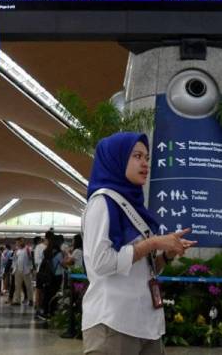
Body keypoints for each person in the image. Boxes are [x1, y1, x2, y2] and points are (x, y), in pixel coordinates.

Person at [82, 132, 196, 355]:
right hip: (112, 323)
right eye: (136, 156)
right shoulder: (102, 202)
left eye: (146, 157)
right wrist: (153, 243)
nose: (145, 163)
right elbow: (101, 263)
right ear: (116, 158)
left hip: (145, 324)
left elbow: (143, 270)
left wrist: (168, 254)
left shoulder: (135, 207)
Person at [11, 237, 33, 305]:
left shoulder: (27, 249)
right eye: (17, 242)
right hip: (17, 270)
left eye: (20, 242)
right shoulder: (16, 250)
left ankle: (31, 300)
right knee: (17, 286)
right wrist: (13, 268)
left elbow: (30, 259)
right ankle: (17, 300)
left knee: (28, 286)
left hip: (26, 270)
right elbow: (14, 260)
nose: (18, 243)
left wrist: (30, 268)